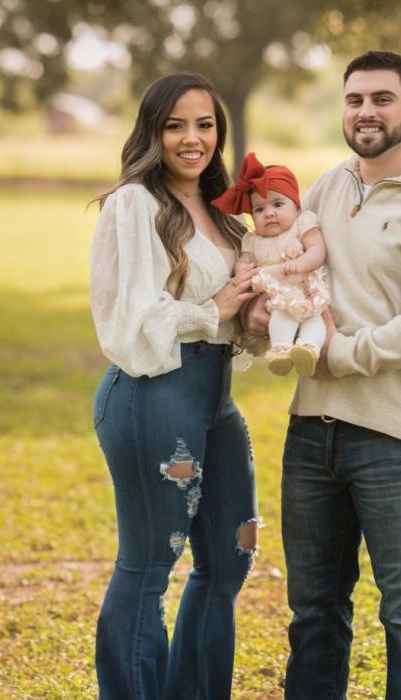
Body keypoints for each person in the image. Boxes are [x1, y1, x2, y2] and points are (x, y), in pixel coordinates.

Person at [245, 50, 401, 699]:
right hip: (310, 437)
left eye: (382, 98)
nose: (366, 111)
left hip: (396, 439)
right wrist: (262, 310)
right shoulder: (325, 189)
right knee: (315, 614)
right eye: (355, 99)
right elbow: (290, 262)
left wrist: (341, 356)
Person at [89, 72, 262, 700]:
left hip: (216, 401)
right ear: (152, 132)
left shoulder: (223, 212)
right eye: (175, 125)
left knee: (229, 559)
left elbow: (232, 310)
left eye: (206, 124)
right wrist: (212, 309)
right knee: (149, 562)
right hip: (152, 394)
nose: (193, 139)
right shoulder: (135, 203)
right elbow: (129, 321)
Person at [212, 152, 329, 377]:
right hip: (277, 293)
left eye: (277, 204)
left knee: (314, 318)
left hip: (304, 288)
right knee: (280, 315)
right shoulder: (253, 239)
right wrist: (241, 269)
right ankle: (281, 351)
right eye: (259, 209)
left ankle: (309, 348)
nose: (269, 213)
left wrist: (302, 263)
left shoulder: (301, 225)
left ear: (296, 207)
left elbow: (317, 249)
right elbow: (244, 259)